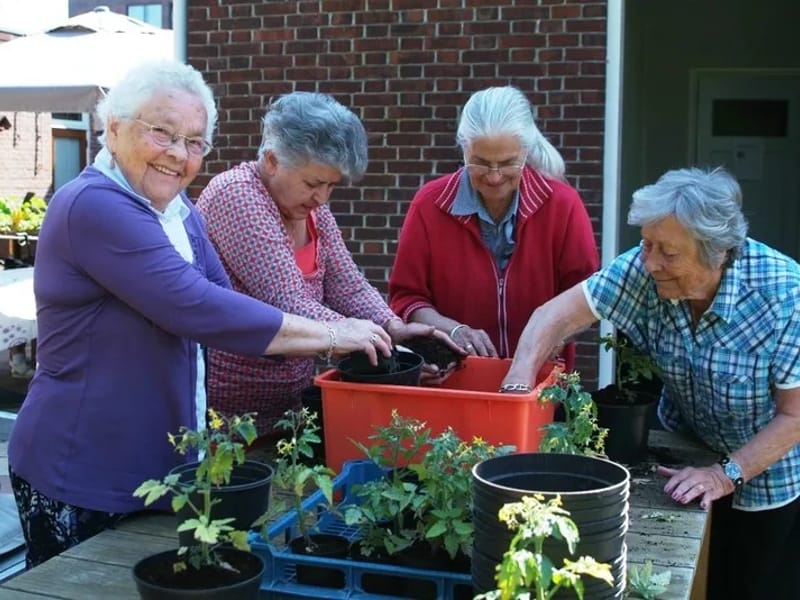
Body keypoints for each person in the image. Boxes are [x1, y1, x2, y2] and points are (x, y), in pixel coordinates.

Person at [6, 60, 392, 569]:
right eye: (162, 133)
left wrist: (372, 331)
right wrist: (330, 334)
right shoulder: (93, 205)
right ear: (114, 128)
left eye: (194, 142)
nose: (178, 154)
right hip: (82, 465)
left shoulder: (177, 211)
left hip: (161, 467)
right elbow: (193, 305)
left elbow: (221, 295)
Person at [504, 167, 800, 600]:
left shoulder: (785, 296)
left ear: (716, 253)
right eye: (646, 244)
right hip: (682, 451)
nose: (650, 262)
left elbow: (794, 416)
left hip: (769, 476)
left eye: (668, 253)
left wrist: (725, 474)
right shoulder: (646, 268)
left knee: (750, 585)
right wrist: (516, 391)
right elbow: (553, 317)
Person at [196, 91, 454, 438]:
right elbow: (287, 303)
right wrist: (377, 342)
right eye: (313, 183)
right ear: (272, 160)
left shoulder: (311, 209)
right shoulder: (238, 196)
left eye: (331, 185)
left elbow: (348, 284)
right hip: (226, 416)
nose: (322, 197)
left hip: (289, 409)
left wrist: (391, 327)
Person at [387, 86, 598, 373]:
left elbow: (586, 297)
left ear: (525, 151)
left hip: (543, 384)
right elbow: (407, 299)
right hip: (455, 380)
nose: (495, 176)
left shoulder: (562, 205)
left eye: (508, 163)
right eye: (481, 163)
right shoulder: (429, 205)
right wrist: (452, 330)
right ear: (464, 149)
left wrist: (540, 346)